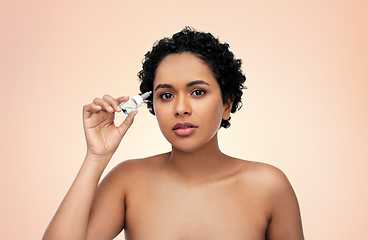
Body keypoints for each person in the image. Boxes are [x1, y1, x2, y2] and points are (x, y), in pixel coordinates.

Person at [43, 27, 304, 240]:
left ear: (227, 104)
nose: (180, 108)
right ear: (153, 105)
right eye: (166, 95)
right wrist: (96, 156)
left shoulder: (269, 186)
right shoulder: (128, 181)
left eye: (198, 92)